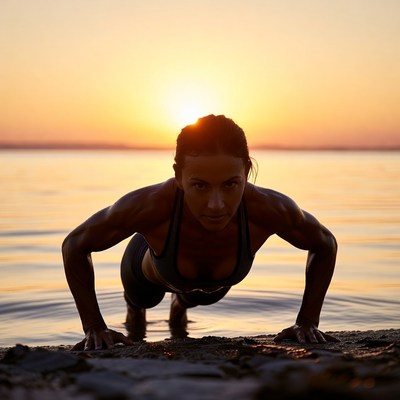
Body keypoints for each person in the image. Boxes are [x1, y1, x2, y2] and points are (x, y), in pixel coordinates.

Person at [62, 114, 338, 351]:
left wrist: (307, 322)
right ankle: (137, 310)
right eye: (200, 186)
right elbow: (74, 245)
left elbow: (325, 243)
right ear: (179, 175)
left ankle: (180, 304)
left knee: (200, 296)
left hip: (213, 283)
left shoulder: (270, 208)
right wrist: (94, 328)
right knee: (142, 302)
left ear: (247, 170)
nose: (216, 205)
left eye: (231, 184)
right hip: (146, 266)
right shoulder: (150, 206)